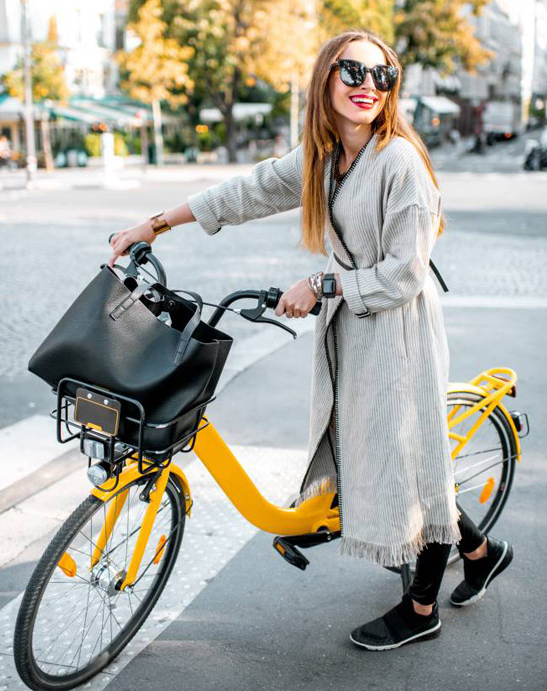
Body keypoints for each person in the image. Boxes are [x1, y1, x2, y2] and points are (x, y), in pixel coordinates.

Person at [109, 29, 514, 650]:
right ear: (325, 77)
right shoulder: (324, 156)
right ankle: (481, 553)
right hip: (353, 327)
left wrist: (325, 284)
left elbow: (406, 274)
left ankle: (422, 607)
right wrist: (156, 224)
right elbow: (249, 190)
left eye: (382, 75)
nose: (368, 85)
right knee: (383, 455)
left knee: (415, 465)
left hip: (399, 331)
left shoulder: (400, 162)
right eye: (353, 71)